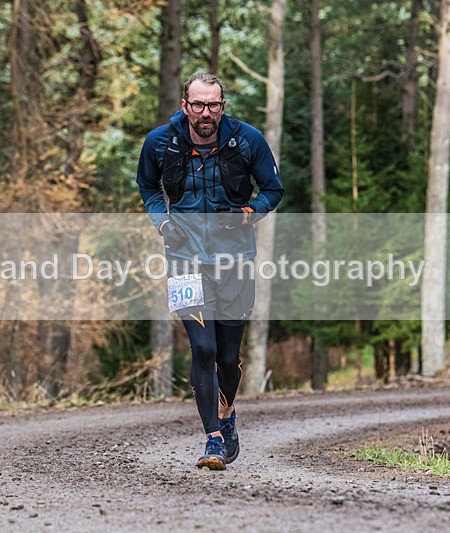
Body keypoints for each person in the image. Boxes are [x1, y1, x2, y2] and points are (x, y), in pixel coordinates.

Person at [136, 72, 283, 470]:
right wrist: (163, 225)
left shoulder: (247, 139)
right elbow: (148, 189)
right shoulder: (159, 142)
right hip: (184, 259)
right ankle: (213, 439)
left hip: (234, 258)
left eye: (213, 105)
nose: (205, 112)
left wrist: (247, 214)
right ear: (185, 105)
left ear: (223, 105)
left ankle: (228, 409)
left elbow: (273, 190)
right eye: (198, 105)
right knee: (202, 348)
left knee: (227, 355)